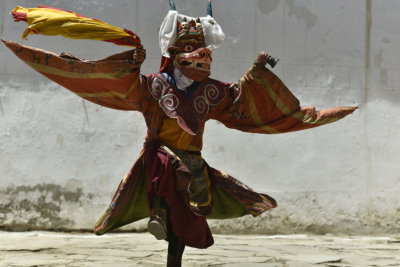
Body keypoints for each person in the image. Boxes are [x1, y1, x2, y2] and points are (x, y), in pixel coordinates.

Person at [4, 1, 357, 266]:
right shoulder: (153, 86)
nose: (199, 57)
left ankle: (174, 252)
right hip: (159, 156)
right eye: (189, 51)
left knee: (189, 212)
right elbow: (126, 86)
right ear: (174, 55)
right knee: (179, 174)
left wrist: (258, 70)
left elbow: (241, 101)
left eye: (201, 52)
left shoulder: (213, 92)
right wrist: (129, 61)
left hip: (193, 158)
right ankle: (158, 211)